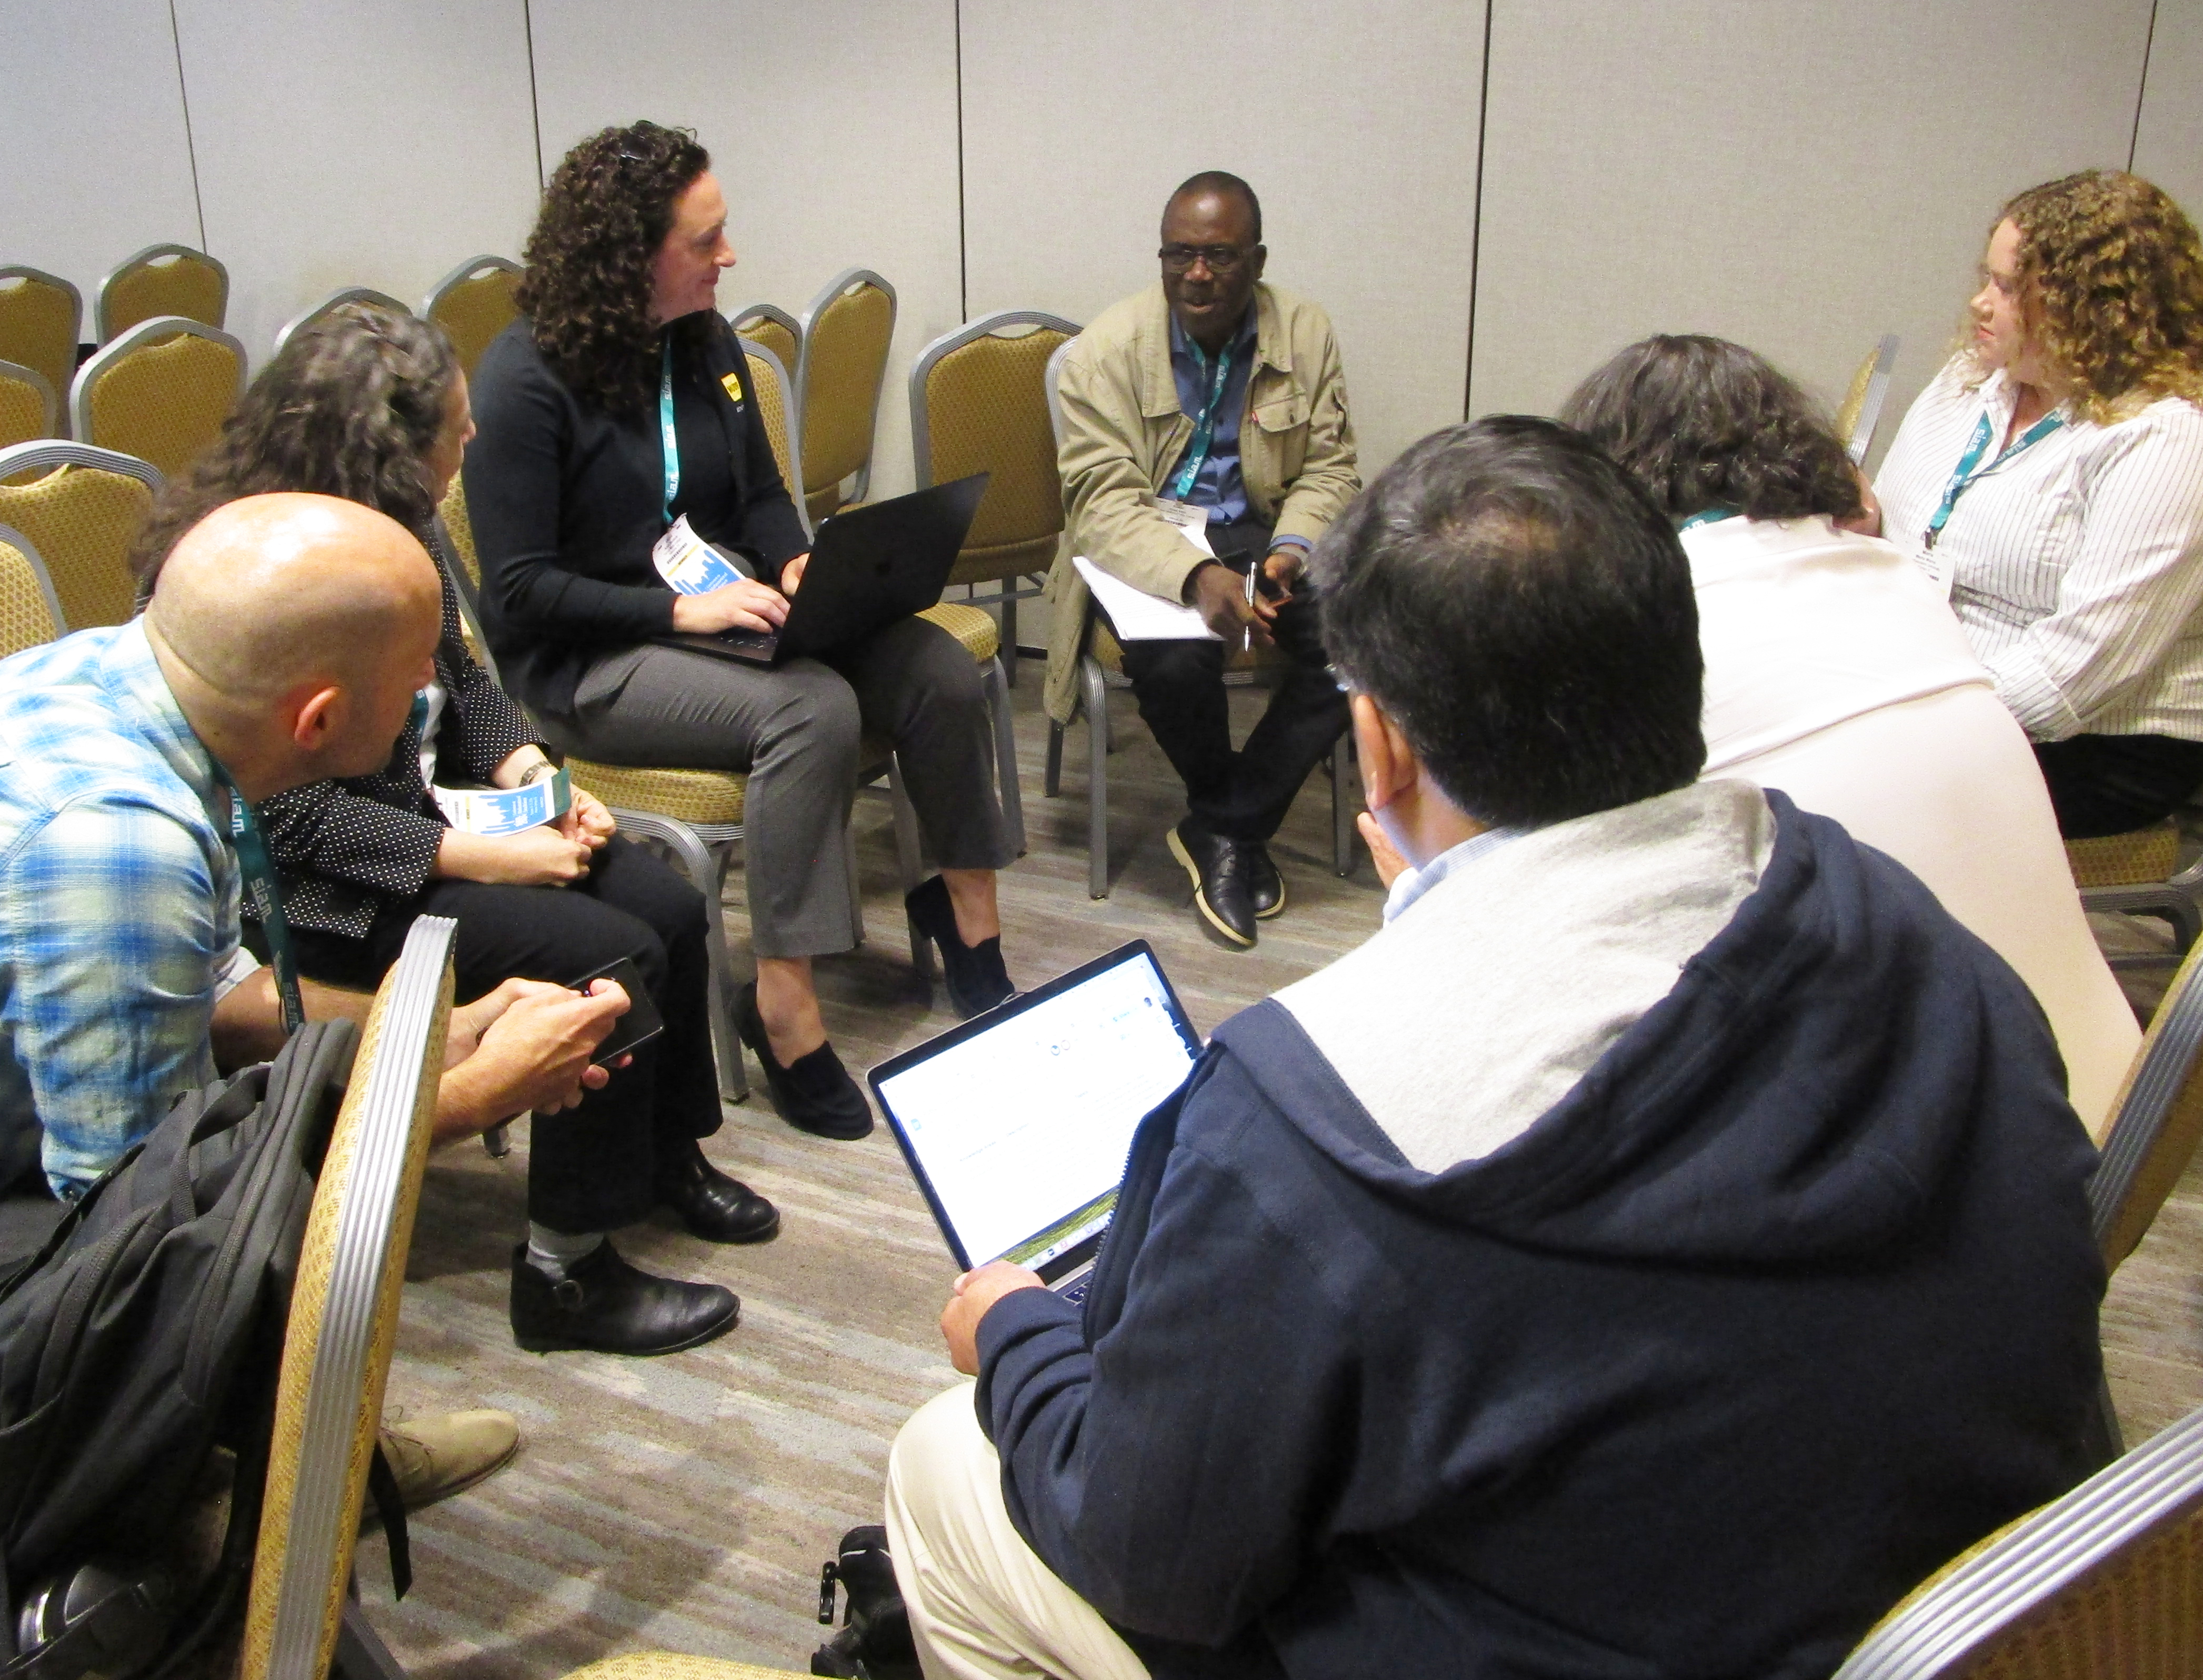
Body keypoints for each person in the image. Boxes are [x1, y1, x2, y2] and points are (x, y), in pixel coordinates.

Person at [878, 418, 2108, 1680]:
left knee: (945, 1460)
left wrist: (1021, 1336)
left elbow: (1151, 1556)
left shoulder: (1309, 1119)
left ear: (1382, 744)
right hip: (2007, 1617)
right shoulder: (1902, 918)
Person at [0, 494, 635, 1513]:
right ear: (319, 719)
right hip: (21, 1232)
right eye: (418, 672)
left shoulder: (139, 682)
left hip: (31, 1150)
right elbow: (152, 1236)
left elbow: (217, 994)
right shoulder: (117, 850)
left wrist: (427, 1038)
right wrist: (468, 1100)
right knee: (210, 1284)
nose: (434, 686)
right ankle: (235, 1519)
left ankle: (298, 1468)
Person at [131, 307, 759, 1358]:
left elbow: (464, 678)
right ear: (387, 444)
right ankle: (565, 1274)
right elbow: (285, 812)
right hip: (334, 893)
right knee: (607, 954)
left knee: (666, 899)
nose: (471, 448)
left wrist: (532, 775)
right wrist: (482, 854)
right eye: (454, 433)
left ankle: (665, 1158)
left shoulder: (399, 519)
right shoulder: (249, 570)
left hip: (442, 820)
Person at [464, 122, 1016, 1138]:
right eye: (706, 241)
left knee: (935, 668)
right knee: (811, 709)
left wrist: (800, 561)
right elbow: (519, 594)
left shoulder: (704, 343)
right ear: (630, 257)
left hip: (718, 621)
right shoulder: (525, 382)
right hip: (592, 663)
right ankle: (783, 1006)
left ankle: (968, 922)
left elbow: (760, 497)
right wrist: (678, 608)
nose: (730, 257)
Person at [1564, 333, 2141, 1134]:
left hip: (1942, 1164)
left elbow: (1573, 899)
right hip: (2105, 1109)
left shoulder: (1663, 620)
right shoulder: (1895, 576)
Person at [1869, 169, 2203, 839]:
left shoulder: (2175, 441)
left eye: (2008, 288)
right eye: (1988, 277)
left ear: (2094, 306)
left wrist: (1885, 713)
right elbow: (1909, 535)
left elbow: (2066, 682)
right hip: (1942, 681)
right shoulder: (1977, 379)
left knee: (1814, 781)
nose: (1980, 303)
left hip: (2100, 745)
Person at [1046, 171, 1361, 948]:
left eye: (1218, 257)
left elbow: (1330, 469)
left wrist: (1290, 549)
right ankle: (1236, 824)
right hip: (1145, 538)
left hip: (1260, 525)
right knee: (1177, 660)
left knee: (1357, 639)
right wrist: (1193, 576)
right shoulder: (1105, 351)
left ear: (1256, 260)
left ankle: (1222, 826)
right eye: (1179, 254)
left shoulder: (1306, 331)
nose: (1197, 274)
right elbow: (1100, 503)